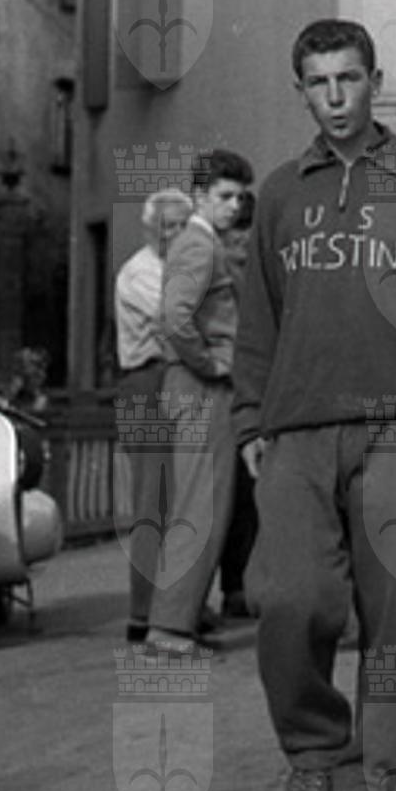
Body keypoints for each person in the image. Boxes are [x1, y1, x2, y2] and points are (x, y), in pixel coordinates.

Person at [233, 21, 396, 791]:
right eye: (319, 83)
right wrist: (249, 417)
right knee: (288, 597)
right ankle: (314, 751)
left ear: (376, 80)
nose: (336, 97)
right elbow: (259, 316)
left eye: (349, 78)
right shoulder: (279, 193)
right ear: (301, 91)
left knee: (392, 610)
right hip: (299, 426)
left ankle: (374, 776)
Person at [148, 149, 253, 653]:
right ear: (199, 197)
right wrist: (209, 363)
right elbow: (174, 317)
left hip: (197, 386)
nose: (234, 206)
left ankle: (181, 616)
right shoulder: (199, 244)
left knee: (201, 502)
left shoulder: (199, 243)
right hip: (202, 388)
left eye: (239, 197)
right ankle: (170, 626)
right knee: (200, 505)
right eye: (224, 196)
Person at [115, 187, 192, 644]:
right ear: (150, 230)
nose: (176, 234)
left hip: (176, 380)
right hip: (147, 383)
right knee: (154, 500)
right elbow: (177, 321)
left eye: (183, 226)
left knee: (183, 499)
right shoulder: (140, 273)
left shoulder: (180, 269)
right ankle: (144, 612)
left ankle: (178, 605)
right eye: (168, 227)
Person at [216, 190, 260, 621]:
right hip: (230, 387)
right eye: (237, 234)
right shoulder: (222, 272)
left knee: (247, 495)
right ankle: (234, 585)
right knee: (233, 494)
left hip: (251, 386)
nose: (243, 241)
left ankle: (241, 583)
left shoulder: (255, 273)